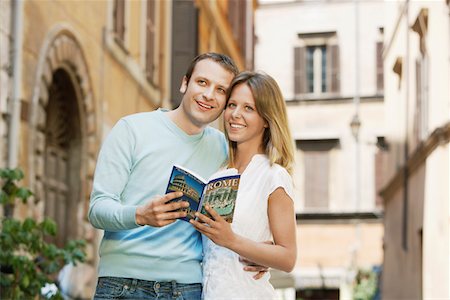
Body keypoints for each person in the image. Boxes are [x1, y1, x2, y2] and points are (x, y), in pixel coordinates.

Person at [88, 53, 265, 300]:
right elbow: (97, 210)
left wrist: (259, 253)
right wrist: (140, 215)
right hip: (121, 285)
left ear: (225, 102)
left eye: (220, 90)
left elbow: (247, 209)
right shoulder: (131, 130)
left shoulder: (225, 149)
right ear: (185, 83)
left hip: (186, 289)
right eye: (202, 82)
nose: (208, 95)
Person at [190, 71, 297, 299]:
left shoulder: (273, 176)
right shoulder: (216, 175)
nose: (235, 114)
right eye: (232, 105)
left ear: (267, 119)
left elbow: (288, 258)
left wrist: (233, 241)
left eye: (249, 108)